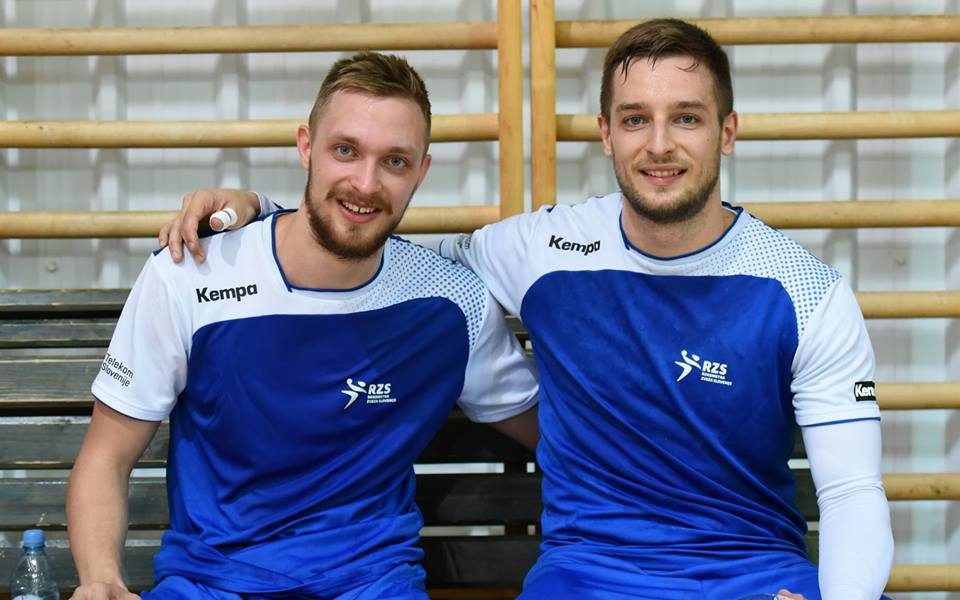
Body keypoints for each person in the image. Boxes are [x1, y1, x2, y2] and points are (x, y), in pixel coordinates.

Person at [161, 19, 895, 600]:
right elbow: (375, 247)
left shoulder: (807, 292)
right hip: (587, 575)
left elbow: (853, 490)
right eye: (635, 119)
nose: (659, 144)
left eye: (687, 119)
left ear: (727, 132)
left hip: (753, 574)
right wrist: (262, 213)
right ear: (606, 134)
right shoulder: (543, 250)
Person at [67, 52, 539, 600]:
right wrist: (100, 579)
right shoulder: (191, 273)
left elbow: (563, 435)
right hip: (211, 585)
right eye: (346, 150)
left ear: (421, 171)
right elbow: (106, 456)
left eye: (394, 161)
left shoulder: (453, 303)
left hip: (372, 586)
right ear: (306, 146)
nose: (365, 183)